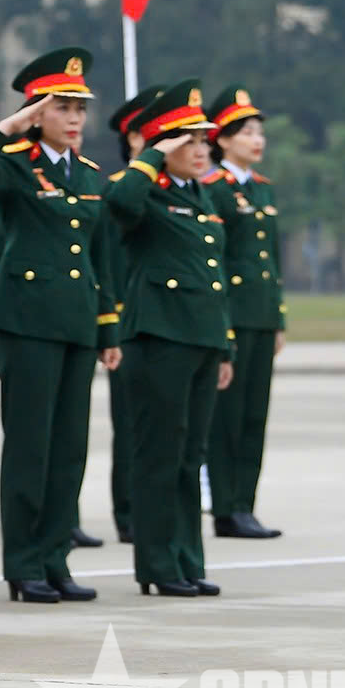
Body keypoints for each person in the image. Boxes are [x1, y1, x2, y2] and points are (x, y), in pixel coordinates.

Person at [0, 52, 119, 602]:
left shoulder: (90, 175)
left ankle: (56, 559)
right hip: (27, 323)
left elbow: (100, 257)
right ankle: (24, 564)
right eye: (62, 108)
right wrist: (10, 126)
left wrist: (107, 329)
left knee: (68, 450)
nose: (75, 118)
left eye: (80, 109)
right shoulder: (15, 165)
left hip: (77, 323)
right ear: (38, 113)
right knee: (30, 447)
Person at [106, 80, 233, 597]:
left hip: (201, 339)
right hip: (159, 338)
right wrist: (153, 154)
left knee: (189, 457)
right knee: (159, 454)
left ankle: (187, 560)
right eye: (190, 141)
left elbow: (214, 277)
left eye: (204, 141)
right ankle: (157, 565)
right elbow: (118, 202)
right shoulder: (146, 192)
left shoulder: (200, 195)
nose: (202, 150)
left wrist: (224, 346)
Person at [205, 86, 285, 541]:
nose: (258, 140)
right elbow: (214, 260)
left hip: (261, 315)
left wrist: (279, 319)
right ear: (222, 139)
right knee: (228, 417)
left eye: (259, 132)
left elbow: (272, 258)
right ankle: (225, 507)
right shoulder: (215, 190)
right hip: (232, 316)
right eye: (247, 132)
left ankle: (245, 505)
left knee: (255, 415)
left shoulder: (263, 189)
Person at [102, 85, 161, 545]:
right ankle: (129, 510)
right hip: (127, 321)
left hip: (168, 322)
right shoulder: (120, 191)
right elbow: (109, 262)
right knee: (131, 425)